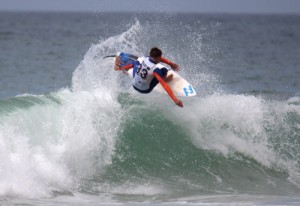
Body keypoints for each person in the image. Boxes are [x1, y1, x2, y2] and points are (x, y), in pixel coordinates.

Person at [115, 47, 183, 107]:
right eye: (159, 58)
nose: (160, 60)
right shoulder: (155, 70)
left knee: (136, 63)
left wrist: (170, 63)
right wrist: (175, 100)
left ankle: (122, 68)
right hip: (145, 90)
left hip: (134, 84)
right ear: (158, 57)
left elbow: (159, 58)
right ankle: (165, 78)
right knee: (163, 70)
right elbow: (164, 85)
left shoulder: (146, 59)